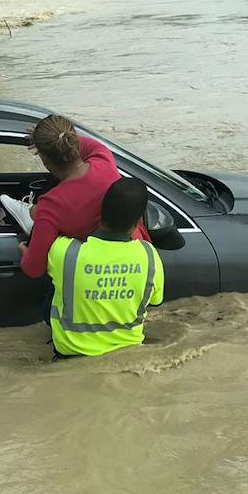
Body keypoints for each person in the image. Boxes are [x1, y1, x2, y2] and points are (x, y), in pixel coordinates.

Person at [17, 114, 148, 280]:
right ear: (73, 142)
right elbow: (79, 143)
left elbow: (34, 269)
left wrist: (23, 250)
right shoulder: (103, 157)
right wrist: (52, 137)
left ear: (45, 161)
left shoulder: (51, 205)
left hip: (93, 275)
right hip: (134, 263)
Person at [47, 178, 164, 358]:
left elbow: (34, 262)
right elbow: (155, 302)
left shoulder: (64, 252)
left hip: (72, 358)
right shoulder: (149, 256)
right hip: (129, 356)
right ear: (139, 220)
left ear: (99, 210)